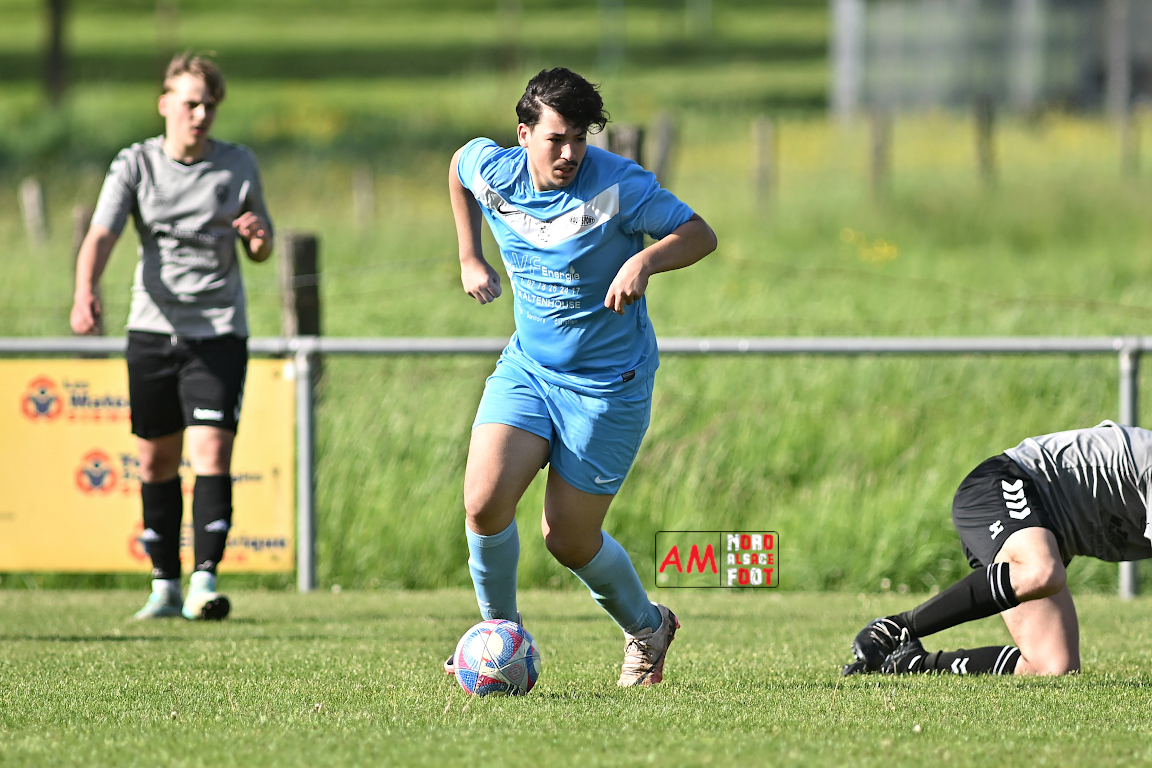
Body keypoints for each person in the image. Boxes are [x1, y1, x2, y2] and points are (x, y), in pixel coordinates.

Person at [445, 68, 716, 686]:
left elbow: (699, 234)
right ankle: (499, 640)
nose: (569, 153)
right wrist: (468, 255)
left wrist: (644, 261)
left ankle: (648, 627)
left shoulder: (620, 185)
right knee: (483, 504)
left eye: (579, 139)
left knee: (566, 538)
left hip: (607, 387)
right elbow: (459, 165)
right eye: (556, 139)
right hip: (529, 369)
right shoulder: (495, 172)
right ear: (524, 135)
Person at [70, 53, 274, 621]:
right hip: (152, 332)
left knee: (211, 451)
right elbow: (102, 234)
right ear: (165, 104)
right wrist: (85, 290)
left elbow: (262, 248)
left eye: (209, 105)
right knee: (156, 461)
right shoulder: (135, 164)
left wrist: (257, 238)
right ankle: (164, 586)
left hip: (218, 332)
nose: (200, 114)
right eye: (191, 104)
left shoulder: (238, 164)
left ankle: (204, 582)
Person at [843, 420, 1152, 677]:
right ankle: (894, 628)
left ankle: (910, 662)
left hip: (1047, 535)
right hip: (1006, 483)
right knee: (1041, 571)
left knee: (1052, 666)